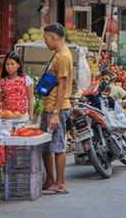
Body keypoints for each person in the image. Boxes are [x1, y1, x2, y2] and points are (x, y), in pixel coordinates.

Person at [41, 23, 73, 195]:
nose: (44, 42)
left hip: (57, 108)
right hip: (50, 105)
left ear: (54, 38)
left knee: (58, 145)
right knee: (46, 146)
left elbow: (62, 87)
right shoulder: (57, 54)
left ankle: (60, 183)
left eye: (46, 38)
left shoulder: (63, 57)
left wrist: (55, 113)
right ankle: (50, 180)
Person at [100, 70, 126, 143]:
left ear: (111, 80)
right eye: (103, 79)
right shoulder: (97, 90)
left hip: (114, 114)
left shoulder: (116, 89)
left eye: (106, 79)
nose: (104, 81)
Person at [0, 51, 35, 121]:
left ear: (18, 65)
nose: (9, 67)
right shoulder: (1, 82)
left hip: (23, 117)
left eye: (12, 64)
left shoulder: (26, 79)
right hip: (6, 117)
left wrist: (30, 116)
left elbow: (31, 100)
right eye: (7, 64)